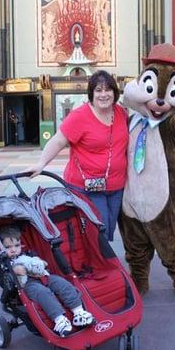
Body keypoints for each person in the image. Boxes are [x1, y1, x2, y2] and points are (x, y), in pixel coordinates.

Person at [24, 70, 128, 241]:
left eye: (108, 90)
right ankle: (94, 266)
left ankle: (99, 262)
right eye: (98, 90)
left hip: (116, 186)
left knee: (108, 230)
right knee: (97, 233)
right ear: (91, 93)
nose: (104, 95)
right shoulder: (80, 116)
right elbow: (57, 141)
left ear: (115, 93)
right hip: (87, 186)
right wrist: (41, 164)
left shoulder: (121, 113)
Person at [0, 225, 94, 337]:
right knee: (43, 293)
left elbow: (40, 262)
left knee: (62, 283)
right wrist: (15, 271)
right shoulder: (5, 262)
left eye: (17, 245)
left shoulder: (28, 253)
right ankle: (60, 319)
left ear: (21, 244)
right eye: (8, 247)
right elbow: (7, 275)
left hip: (44, 276)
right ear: (2, 249)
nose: (14, 250)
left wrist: (39, 262)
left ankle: (78, 312)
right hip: (28, 284)